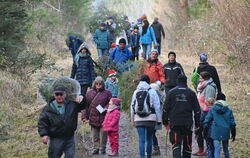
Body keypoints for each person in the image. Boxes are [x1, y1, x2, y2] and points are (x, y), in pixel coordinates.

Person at [38, 86, 86, 158]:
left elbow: (83, 105)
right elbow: (42, 122)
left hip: (70, 137)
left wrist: (82, 97)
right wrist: (44, 134)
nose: (59, 96)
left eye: (61, 94)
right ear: (54, 95)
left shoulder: (72, 104)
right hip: (56, 138)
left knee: (70, 156)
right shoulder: (48, 108)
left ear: (65, 95)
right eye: (57, 94)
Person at [162, 74, 201, 158]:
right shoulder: (191, 93)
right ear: (186, 81)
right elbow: (197, 110)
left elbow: (165, 109)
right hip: (187, 123)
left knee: (176, 144)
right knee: (187, 145)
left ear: (177, 81)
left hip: (174, 123)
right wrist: (197, 124)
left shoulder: (171, 92)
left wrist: (165, 122)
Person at [130, 75, 162, 158]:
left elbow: (132, 107)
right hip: (150, 118)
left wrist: (132, 120)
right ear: (149, 82)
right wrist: (159, 119)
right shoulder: (152, 91)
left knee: (141, 140)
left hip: (138, 118)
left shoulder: (136, 91)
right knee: (149, 139)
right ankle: (148, 156)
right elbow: (157, 106)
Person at [81, 76, 112, 155]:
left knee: (103, 134)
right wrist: (84, 117)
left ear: (103, 84)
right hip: (93, 116)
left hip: (104, 117)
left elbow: (111, 104)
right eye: (97, 84)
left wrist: (105, 108)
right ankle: (96, 148)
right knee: (95, 135)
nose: (98, 85)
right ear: (94, 84)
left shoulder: (107, 93)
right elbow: (85, 106)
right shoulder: (89, 93)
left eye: (100, 84)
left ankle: (103, 148)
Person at [193, 71, 217, 156]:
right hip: (200, 112)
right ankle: (201, 149)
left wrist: (205, 114)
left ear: (205, 79)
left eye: (200, 78)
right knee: (198, 131)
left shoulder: (210, 87)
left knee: (206, 133)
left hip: (206, 113)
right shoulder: (202, 86)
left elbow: (210, 102)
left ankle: (208, 150)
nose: (199, 80)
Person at [150, 81, 164, 156]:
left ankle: (155, 149)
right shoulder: (161, 94)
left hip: (153, 117)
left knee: (151, 133)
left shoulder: (154, 96)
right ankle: (155, 148)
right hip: (157, 118)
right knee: (152, 133)